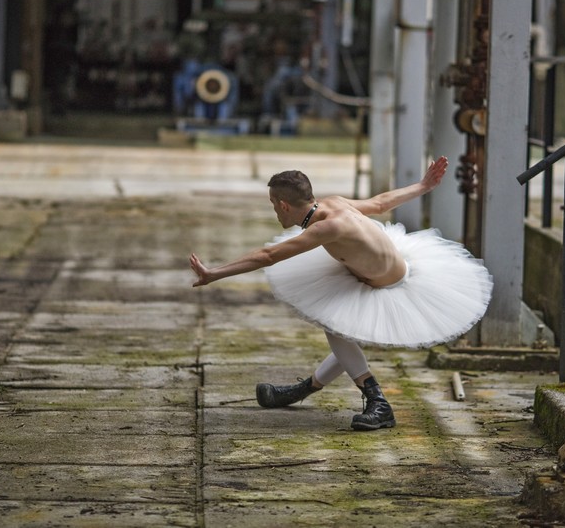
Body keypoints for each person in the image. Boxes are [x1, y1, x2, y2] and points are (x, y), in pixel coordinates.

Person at [189, 156, 492, 431]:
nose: (273, 210)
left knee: (335, 325)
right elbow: (381, 203)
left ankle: (379, 403)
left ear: (283, 205)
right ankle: (303, 390)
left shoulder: (326, 228)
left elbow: (269, 256)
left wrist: (214, 273)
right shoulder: (331, 204)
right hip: (365, 270)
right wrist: (423, 186)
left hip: (389, 283)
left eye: (272, 203)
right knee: (339, 327)